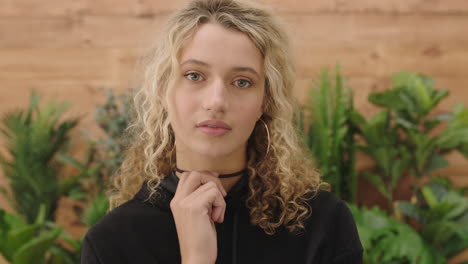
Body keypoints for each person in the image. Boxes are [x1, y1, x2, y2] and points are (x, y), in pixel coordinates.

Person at [80, 0, 363, 263]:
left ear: (265, 101)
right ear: (163, 92)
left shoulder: (322, 224)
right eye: (194, 76)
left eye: (242, 82)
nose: (216, 102)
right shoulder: (112, 242)